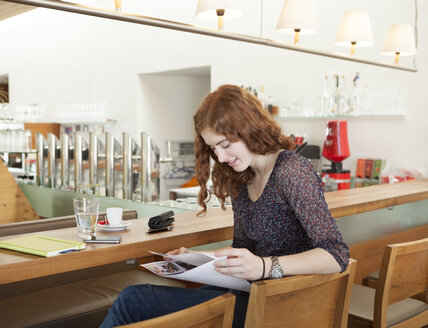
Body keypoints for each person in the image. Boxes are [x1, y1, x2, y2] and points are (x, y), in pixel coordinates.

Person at [100, 85, 349, 328]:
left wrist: (264, 266)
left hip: (285, 300)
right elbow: (242, 250)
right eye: (213, 148)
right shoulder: (242, 179)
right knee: (143, 304)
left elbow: (336, 255)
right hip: (253, 291)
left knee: (132, 301)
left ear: (249, 128)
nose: (220, 157)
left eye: (225, 145)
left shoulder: (292, 171)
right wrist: (196, 259)